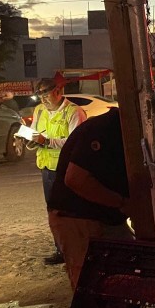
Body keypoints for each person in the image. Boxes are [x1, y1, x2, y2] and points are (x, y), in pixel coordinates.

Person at [47, 108, 132, 290]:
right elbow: (76, 179)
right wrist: (121, 203)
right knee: (89, 283)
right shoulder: (105, 129)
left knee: (122, 275)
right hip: (78, 217)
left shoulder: (118, 128)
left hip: (106, 216)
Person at [28, 77, 87, 265]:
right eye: (40, 96)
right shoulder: (39, 111)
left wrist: (46, 142)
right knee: (53, 212)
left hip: (66, 169)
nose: (43, 100)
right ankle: (61, 249)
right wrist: (29, 141)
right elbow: (33, 133)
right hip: (46, 169)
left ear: (57, 91)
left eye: (45, 94)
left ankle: (78, 248)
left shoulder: (74, 112)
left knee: (71, 210)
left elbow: (74, 142)